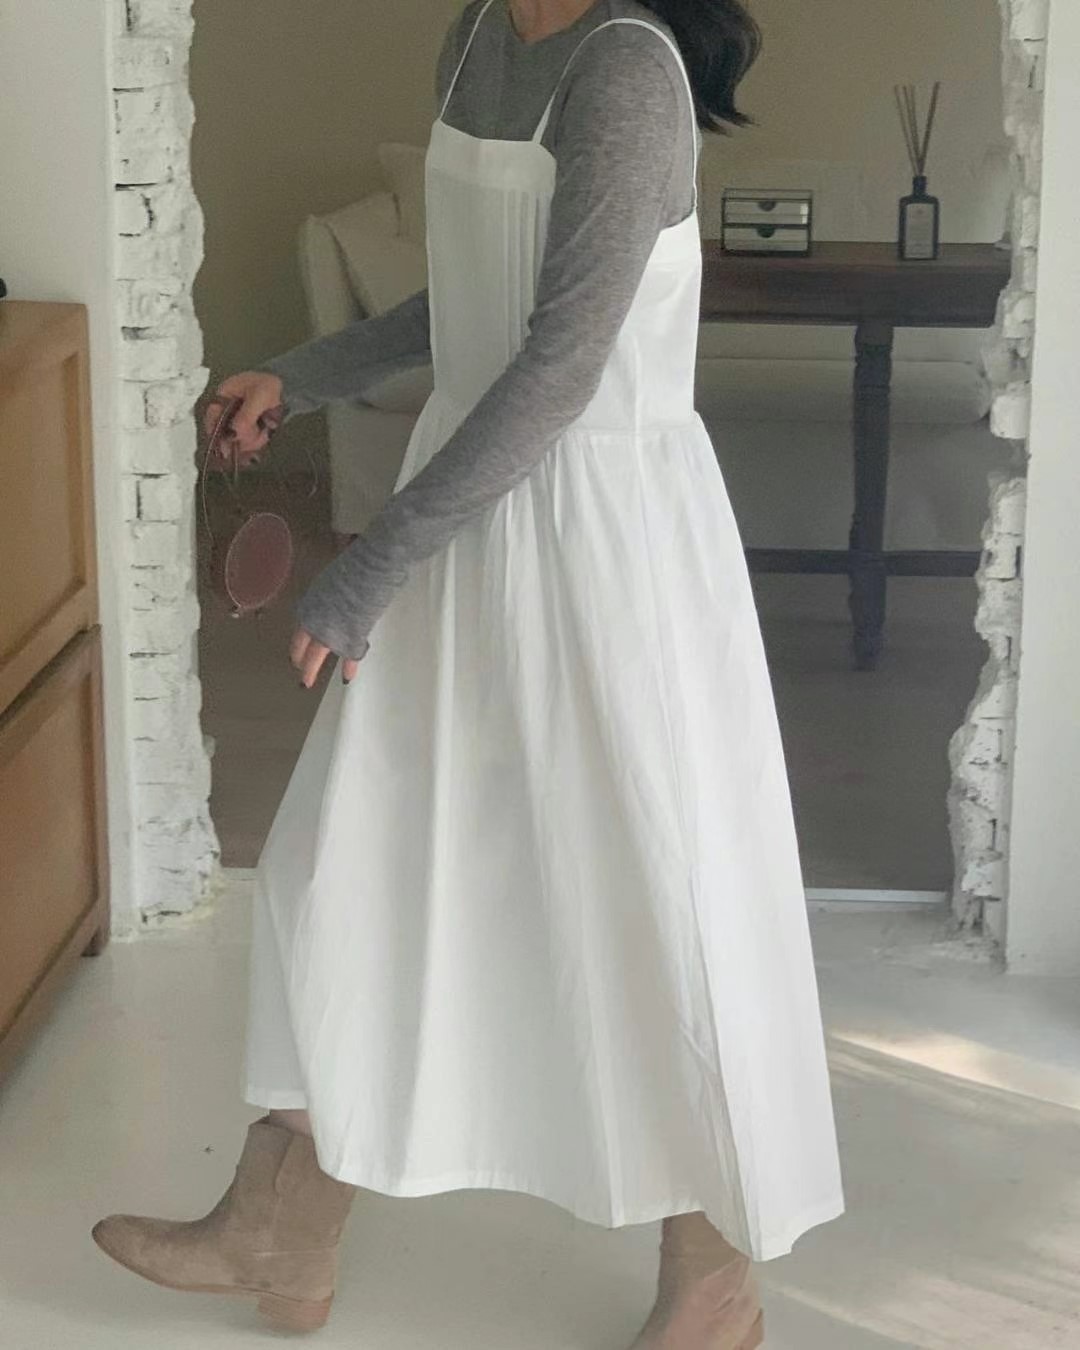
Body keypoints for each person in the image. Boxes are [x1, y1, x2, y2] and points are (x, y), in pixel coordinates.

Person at [93, 1, 844, 1343]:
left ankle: (715, 1279)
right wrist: (300, 375)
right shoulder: (480, 31)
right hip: (471, 508)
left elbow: (560, 365)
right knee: (344, 864)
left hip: (602, 538)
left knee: (650, 896)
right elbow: (475, 297)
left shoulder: (626, 74)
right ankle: (281, 1229)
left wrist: (369, 564)